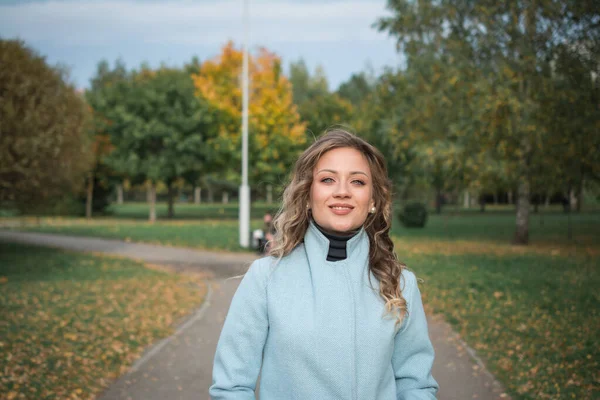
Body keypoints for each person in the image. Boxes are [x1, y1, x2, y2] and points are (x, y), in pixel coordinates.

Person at [210, 129, 438, 399]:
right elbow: (232, 387)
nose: (342, 192)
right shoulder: (266, 279)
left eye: (357, 182)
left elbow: (415, 385)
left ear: (374, 200)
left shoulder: (400, 284)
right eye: (328, 179)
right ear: (307, 194)